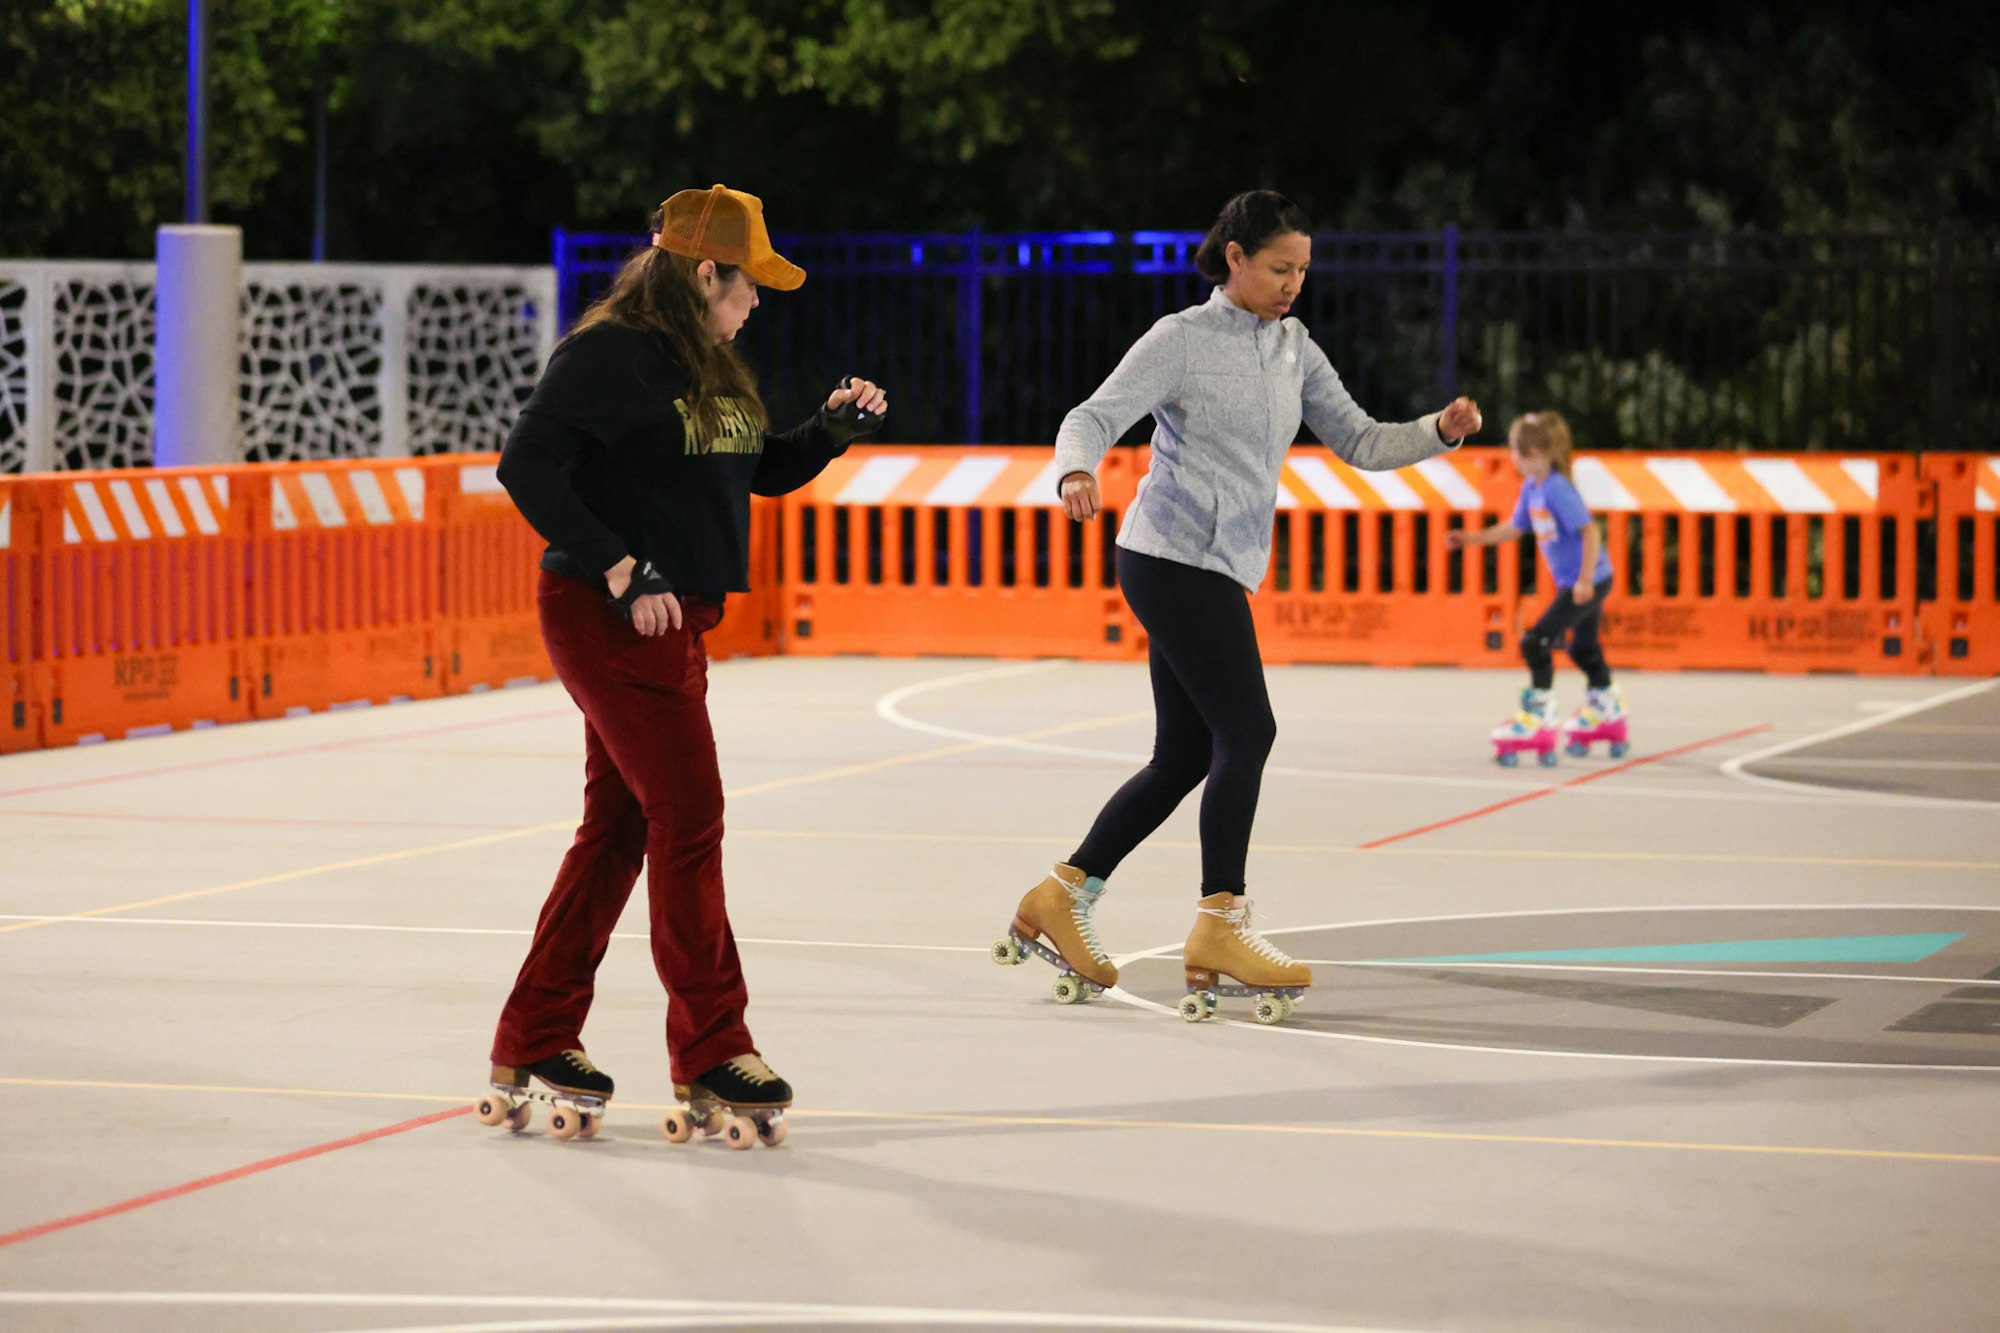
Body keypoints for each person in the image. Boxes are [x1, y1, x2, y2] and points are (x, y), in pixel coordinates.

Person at [994, 189, 1481, 1022]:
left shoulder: (1295, 349)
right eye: (1280, 268)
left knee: (1184, 755)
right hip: (1168, 557)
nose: (1294, 284)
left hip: (1221, 568)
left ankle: (1058, 893)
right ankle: (1220, 921)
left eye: (1303, 271)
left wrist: (1438, 429)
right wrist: (1077, 469)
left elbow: (1359, 440)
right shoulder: (1181, 340)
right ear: (1236, 259)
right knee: (1248, 730)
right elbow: (1094, 414)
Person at [482, 184, 886, 1138]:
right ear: (704, 272)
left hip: (672, 621)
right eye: (749, 286)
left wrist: (827, 430)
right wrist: (621, 567)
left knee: (621, 829)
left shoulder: (708, 362)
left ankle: (536, 1028)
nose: (756, 304)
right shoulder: (607, 355)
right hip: (606, 614)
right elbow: (525, 464)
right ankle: (712, 1047)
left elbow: (753, 470)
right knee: (691, 816)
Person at [1446, 410, 1625, 763]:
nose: (1513, 459)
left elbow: (1591, 532)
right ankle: (1609, 713)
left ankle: (1539, 718)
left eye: (1517, 453)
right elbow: (1513, 528)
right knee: (1583, 650)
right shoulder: (1534, 488)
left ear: (1536, 454)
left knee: (1535, 641)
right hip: (1579, 583)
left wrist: (1586, 580)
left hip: (1588, 582)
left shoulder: (1557, 489)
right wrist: (1470, 539)